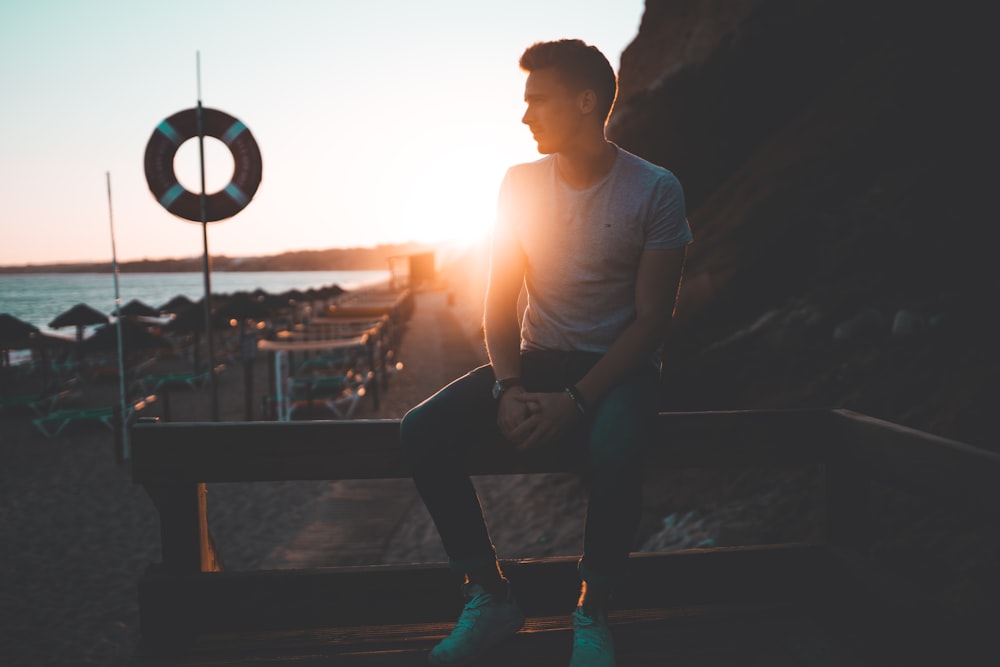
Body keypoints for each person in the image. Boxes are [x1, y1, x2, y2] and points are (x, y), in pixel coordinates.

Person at [400, 38, 691, 667]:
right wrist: (507, 388)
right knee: (420, 430)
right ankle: (489, 593)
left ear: (585, 102)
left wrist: (578, 402)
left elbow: (652, 323)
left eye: (537, 99)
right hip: (536, 359)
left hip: (619, 368)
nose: (525, 114)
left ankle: (593, 606)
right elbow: (497, 302)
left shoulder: (655, 189)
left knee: (614, 445)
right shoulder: (519, 183)